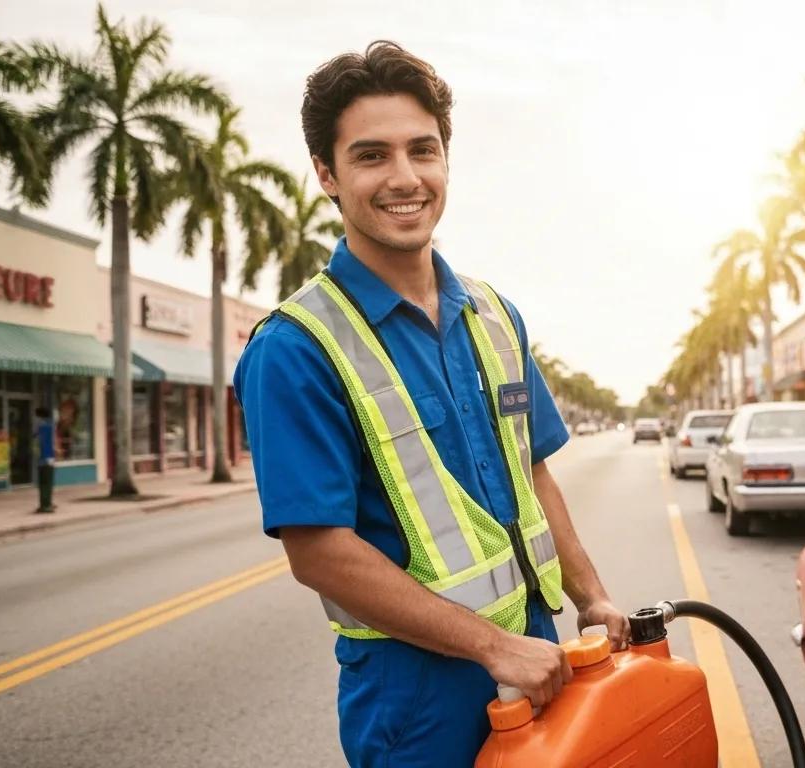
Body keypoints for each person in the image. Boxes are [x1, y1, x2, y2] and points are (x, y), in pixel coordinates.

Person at [233, 42, 629, 767]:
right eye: (372, 156)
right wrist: (491, 647)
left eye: (423, 150)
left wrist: (592, 597)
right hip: (414, 696)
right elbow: (318, 552)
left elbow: (531, 472)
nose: (405, 178)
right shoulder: (294, 348)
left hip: (538, 655)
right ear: (327, 173)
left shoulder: (493, 314)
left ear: (447, 159)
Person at [34, 407, 54, 513]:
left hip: (45, 459)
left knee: (45, 484)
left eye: (36, 416)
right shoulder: (47, 425)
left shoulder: (43, 426)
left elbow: (44, 444)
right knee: (45, 484)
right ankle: (46, 504)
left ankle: (46, 505)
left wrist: (45, 458)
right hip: (46, 458)